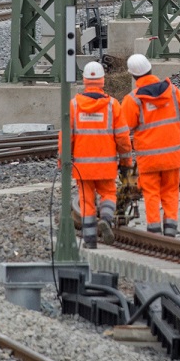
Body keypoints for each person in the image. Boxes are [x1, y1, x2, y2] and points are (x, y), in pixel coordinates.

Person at [61, 61, 132, 249]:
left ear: (84, 80)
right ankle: (107, 220)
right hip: (106, 165)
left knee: (85, 200)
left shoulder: (74, 106)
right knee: (108, 194)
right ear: (102, 81)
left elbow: (66, 136)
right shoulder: (113, 106)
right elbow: (123, 137)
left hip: (82, 166)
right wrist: (126, 160)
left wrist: (63, 160)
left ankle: (90, 240)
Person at [120, 54, 180, 237]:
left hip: (148, 157)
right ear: (150, 69)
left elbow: (124, 128)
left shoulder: (133, 99)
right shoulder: (173, 91)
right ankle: (170, 228)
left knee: (151, 192)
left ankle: (153, 229)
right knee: (171, 191)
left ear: (133, 76)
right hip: (172, 155)